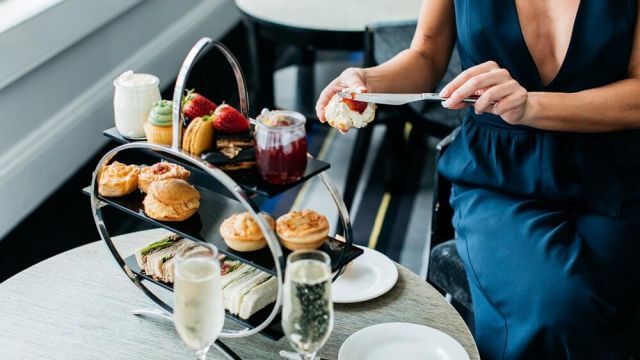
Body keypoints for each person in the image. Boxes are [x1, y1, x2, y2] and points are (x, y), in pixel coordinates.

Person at [316, 1, 640, 359]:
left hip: (615, 177)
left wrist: (531, 106)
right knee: (553, 310)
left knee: (605, 304)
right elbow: (425, 55)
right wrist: (368, 80)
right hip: (499, 176)